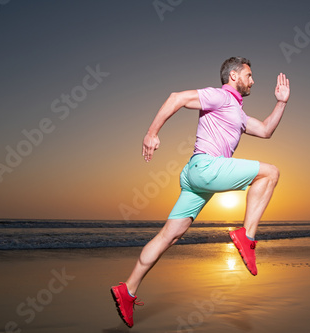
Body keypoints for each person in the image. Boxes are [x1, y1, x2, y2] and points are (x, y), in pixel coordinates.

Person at [111, 56, 290, 327]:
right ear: (233, 76)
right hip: (206, 167)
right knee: (271, 172)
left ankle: (128, 289)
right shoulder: (220, 96)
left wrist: (281, 102)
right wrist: (152, 133)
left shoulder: (238, 114)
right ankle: (247, 236)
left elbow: (265, 131)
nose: (253, 80)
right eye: (249, 75)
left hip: (196, 178)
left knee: (169, 236)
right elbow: (176, 98)